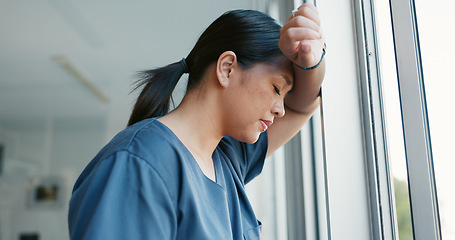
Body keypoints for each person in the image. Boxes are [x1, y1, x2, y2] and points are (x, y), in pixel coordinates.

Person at [68, 3, 325, 240]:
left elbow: (303, 106)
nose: (280, 110)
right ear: (227, 68)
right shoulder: (138, 161)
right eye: (277, 88)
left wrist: (313, 59)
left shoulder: (227, 158)